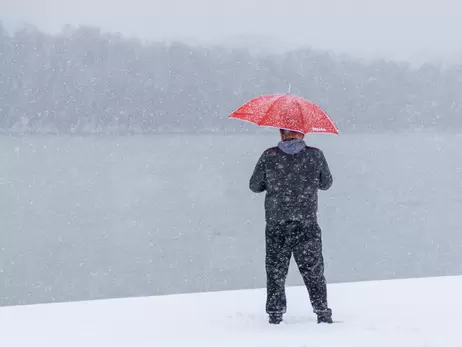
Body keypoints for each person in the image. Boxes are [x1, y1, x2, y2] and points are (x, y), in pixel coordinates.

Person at [249, 129, 334, 325]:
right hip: (306, 222)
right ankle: (322, 311)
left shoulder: (269, 156)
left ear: (281, 133)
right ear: (303, 133)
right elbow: (326, 183)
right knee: (313, 269)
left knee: (276, 269)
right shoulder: (315, 155)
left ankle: (275, 314)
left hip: (276, 223)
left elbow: (255, 186)